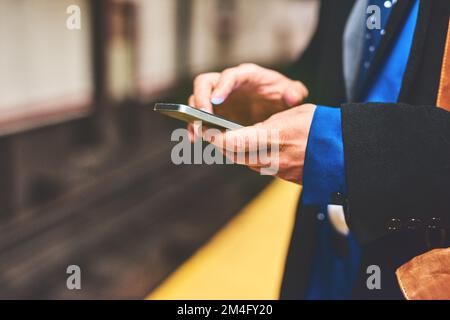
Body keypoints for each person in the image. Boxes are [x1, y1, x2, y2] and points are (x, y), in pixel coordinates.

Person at [188, 0, 450, 299]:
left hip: (412, 275)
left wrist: (341, 146)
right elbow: (337, 76)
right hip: (326, 257)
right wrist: (282, 100)